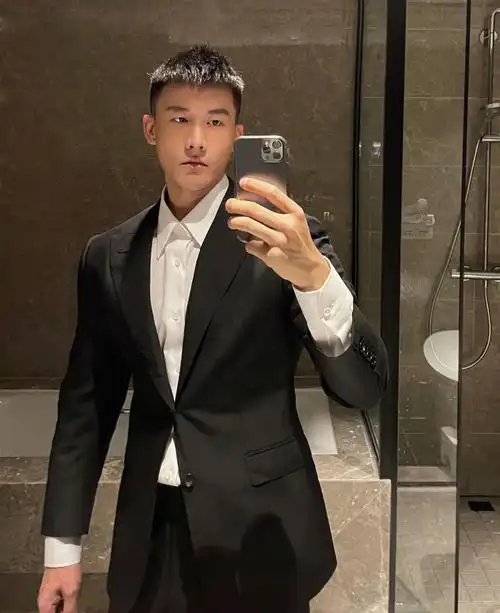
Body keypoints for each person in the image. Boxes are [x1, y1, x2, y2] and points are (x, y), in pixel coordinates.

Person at [37, 44, 388, 613]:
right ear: (151, 130)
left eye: (215, 122)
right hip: (151, 537)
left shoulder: (287, 242)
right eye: (179, 119)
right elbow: (86, 406)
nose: (196, 140)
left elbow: (363, 389)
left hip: (261, 532)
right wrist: (61, 549)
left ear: (237, 135)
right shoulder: (109, 256)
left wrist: (316, 280)